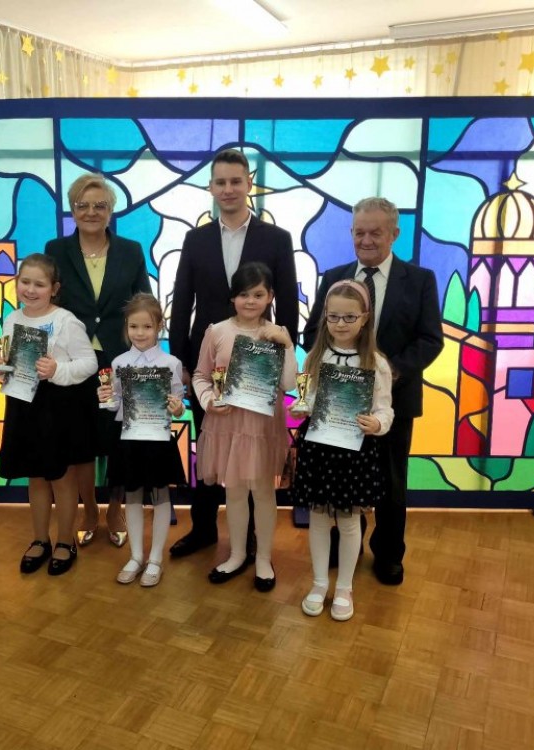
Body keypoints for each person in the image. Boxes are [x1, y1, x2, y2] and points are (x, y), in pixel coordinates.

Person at [302, 197, 443, 585]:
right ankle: (345, 545)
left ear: (394, 233)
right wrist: (336, 368)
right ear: (351, 232)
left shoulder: (420, 280)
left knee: (392, 481)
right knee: (342, 477)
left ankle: (389, 553)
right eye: (359, 232)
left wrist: (386, 373)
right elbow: (312, 331)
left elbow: (431, 339)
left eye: (375, 233)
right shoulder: (334, 276)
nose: (366, 240)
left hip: (395, 400)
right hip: (338, 403)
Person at [169, 148, 298, 559]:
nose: (228, 189)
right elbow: (181, 302)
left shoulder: (276, 239)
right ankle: (204, 528)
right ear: (211, 187)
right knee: (210, 446)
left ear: (249, 185)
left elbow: (288, 304)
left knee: (254, 453)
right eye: (221, 182)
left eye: (235, 181)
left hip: (260, 366)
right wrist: (181, 362)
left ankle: (253, 537)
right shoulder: (195, 239)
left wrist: (284, 356)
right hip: (208, 362)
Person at [46, 173, 152, 550]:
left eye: (100, 205)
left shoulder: (131, 250)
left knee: (118, 438)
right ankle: (89, 509)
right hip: (72, 360)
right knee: (81, 442)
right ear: (72, 209)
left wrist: (147, 353)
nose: (91, 212)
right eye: (83, 205)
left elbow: (144, 303)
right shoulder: (56, 250)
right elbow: (47, 301)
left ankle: (116, 510)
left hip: (119, 358)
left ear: (110, 211)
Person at [293, 280, 394, 620]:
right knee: (319, 519)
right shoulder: (315, 357)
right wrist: (302, 408)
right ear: (325, 316)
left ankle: (345, 588)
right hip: (319, 449)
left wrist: (377, 424)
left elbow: (385, 409)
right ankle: (320, 582)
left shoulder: (376, 363)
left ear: (365, 318)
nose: (340, 323)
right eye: (333, 316)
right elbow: (308, 398)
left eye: (349, 317)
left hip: (354, 452)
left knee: (350, 522)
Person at [192, 262, 296, 591]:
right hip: (227, 423)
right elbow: (200, 375)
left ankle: (263, 558)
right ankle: (237, 554)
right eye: (243, 294)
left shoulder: (278, 333)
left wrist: (286, 344)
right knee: (234, 492)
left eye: (258, 294)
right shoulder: (217, 331)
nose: (250, 301)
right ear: (233, 297)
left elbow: (289, 382)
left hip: (262, 426)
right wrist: (208, 400)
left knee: (263, 493)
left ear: (270, 297)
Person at [0, 254, 97, 576]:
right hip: (23, 405)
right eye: (25, 282)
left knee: (62, 478)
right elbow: (9, 357)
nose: (30, 289)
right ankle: (40, 539)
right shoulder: (12, 319)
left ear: (54, 288)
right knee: (35, 477)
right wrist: (3, 368)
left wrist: (57, 370)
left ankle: (65, 542)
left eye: (39, 284)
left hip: (57, 408)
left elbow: (89, 363)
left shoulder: (67, 321)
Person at [97, 293, 186, 587]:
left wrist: (178, 408)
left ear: (159, 326)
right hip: (128, 439)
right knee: (132, 495)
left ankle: (155, 558)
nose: (140, 333)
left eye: (147, 327)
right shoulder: (119, 362)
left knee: (161, 496)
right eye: (133, 326)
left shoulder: (171, 363)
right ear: (126, 327)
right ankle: (136, 556)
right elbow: (116, 403)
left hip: (158, 440)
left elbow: (178, 405)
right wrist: (106, 398)